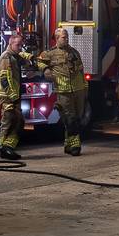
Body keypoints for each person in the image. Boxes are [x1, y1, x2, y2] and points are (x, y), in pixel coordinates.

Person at [37, 27, 87, 156]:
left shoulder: (74, 52)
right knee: (70, 118)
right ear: (57, 38)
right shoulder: (50, 53)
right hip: (63, 90)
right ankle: (76, 144)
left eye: (67, 36)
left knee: (78, 117)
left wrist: (85, 88)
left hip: (78, 89)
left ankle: (68, 144)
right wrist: (46, 70)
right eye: (64, 37)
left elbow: (81, 70)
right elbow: (40, 62)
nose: (66, 38)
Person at [0, 32, 27, 160]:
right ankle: (3, 148)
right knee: (7, 121)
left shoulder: (14, 57)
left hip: (14, 95)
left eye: (21, 45)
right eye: (18, 45)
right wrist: (12, 94)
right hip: (7, 96)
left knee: (18, 121)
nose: (20, 48)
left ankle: (8, 147)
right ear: (10, 43)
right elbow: (4, 78)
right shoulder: (6, 57)